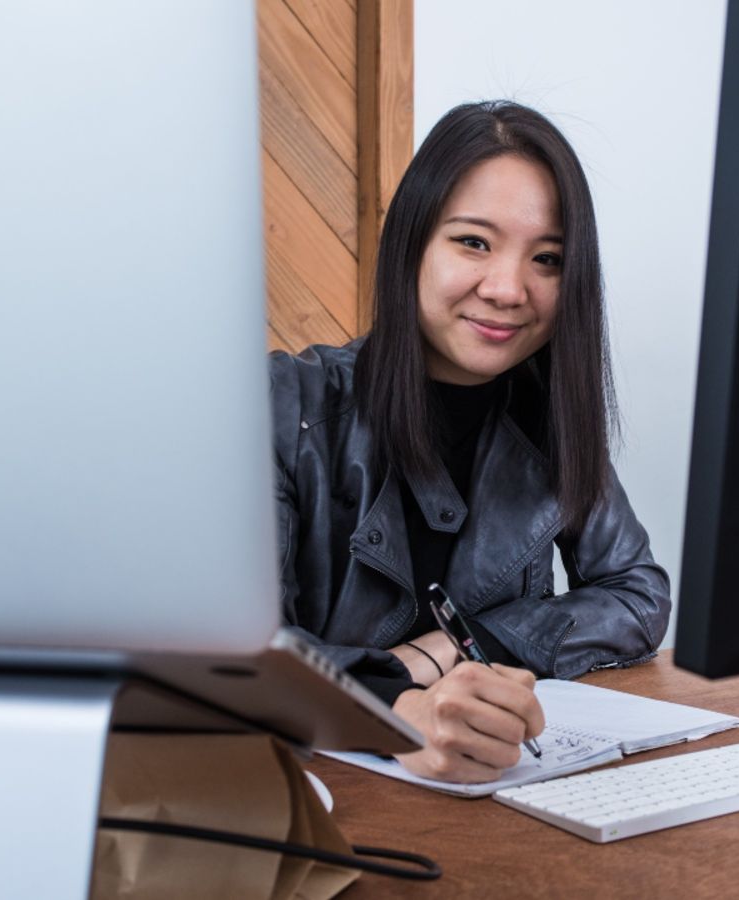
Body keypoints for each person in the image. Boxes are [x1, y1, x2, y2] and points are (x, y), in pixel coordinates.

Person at [271, 100, 670, 783]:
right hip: (314, 799)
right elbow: (247, 652)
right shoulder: (287, 401)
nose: (509, 288)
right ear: (412, 245)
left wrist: (459, 648)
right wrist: (398, 707)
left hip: (495, 800)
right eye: (474, 243)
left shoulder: (549, 416)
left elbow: (637, 593)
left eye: (547, 259)